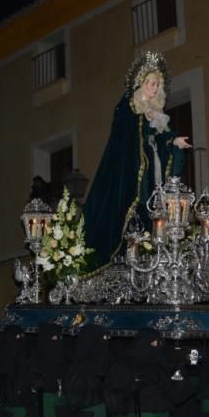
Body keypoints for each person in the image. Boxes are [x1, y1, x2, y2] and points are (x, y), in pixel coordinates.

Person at [81, 51, 191, 268]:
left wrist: (174, 141)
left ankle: (147, 251)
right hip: (131, 167)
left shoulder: (156, 114)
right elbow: (123, 132)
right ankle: (126, 252)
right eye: (150, 83)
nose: (153, 88)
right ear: (141, 83)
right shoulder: (128, 107)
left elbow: (162, 137)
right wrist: (139, 114)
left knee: (152, 207)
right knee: (132, 208)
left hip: (152, 170)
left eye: (156, 85)